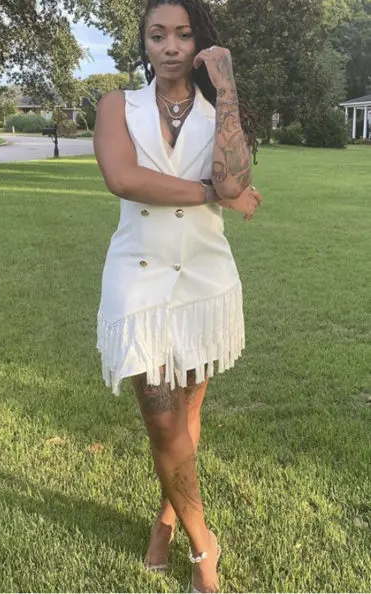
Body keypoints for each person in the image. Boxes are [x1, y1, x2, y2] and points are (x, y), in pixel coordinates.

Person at [93, 0, 263, 592]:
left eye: (183, 35)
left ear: (199, 44)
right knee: (164, 425)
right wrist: (213, 193)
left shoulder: (219, 110)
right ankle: (203, 547)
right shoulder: (118, 105)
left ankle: (166, 521)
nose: (170, 46)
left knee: (188, 416)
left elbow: (236, 178)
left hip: (204, 281)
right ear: (143, 44)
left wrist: (228, 87)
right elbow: (124, 178)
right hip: (137, 279)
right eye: (157, 35)